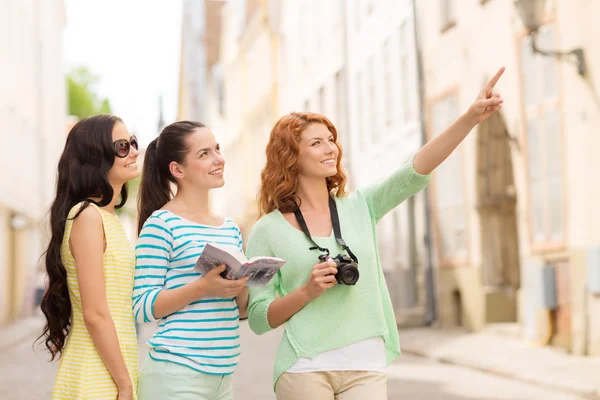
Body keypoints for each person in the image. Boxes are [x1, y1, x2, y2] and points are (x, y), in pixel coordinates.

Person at [247, 69, 506, 399]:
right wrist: (307, 291)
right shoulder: (264, 232)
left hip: (365, 365)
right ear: (290, 157)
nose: (331, 149)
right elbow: (257, 317)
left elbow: (414, 171)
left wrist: (469, 119)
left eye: (331, 140)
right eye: (316, 143)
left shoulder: (361, 206)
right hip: (303, 367)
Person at [134, 121, 249, 400]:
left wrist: (244, 282)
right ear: (177, 169)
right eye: (204, 153)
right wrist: (203, 287)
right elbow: (142, 307)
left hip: (223, 376)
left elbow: (241, 311)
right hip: (176, 375)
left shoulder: (230, 228)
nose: (218, 159)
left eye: (217, 149)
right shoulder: (161, 224)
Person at [38, 114, 140, 400]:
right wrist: (124, 384)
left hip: (113, 368)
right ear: (96, 156)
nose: (133, 151)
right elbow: (94, 313)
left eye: (133, 142)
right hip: (96, 375)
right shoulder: (87, 217)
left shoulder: (108, 219)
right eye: (122, 146)